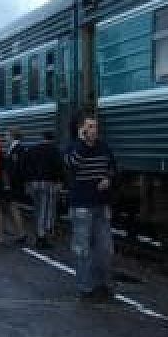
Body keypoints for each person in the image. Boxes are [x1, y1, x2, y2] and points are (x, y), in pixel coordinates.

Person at [65, 114, 117, 300]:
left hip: (101, 204)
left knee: (105, 249)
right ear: (81, 129)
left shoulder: (104, 147)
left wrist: (108, 178)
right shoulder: (73, 147)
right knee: (83, 249)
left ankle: (102, 285)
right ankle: (85, 288)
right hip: (81, 206)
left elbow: (112, 166)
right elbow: (72, 165)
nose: (94, 130)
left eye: (95, 126)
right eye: (90, 126)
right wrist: (83, 144)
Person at [23, 130, 65, 248]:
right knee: (46, 210)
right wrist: (61, 181)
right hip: (49, 184)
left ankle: (38, 233)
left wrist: (28, 181)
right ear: (52, 139)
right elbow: (59, 167)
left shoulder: (32, 150)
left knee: (37, 208)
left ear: (42, 137)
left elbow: (25, 166)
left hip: (34, 183)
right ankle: (42, 237)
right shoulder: (55, 150)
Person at [1, 127, 29, 244]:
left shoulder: (17, 149)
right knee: (13, 207)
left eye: (6, 135)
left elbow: (16, 168)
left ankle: (21, 233)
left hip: (14, 184)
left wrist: (9, 183)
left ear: (12, 136)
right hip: (14, 183)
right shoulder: (14, 149)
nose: (5, 138)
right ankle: (19, 232)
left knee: (14, 207)